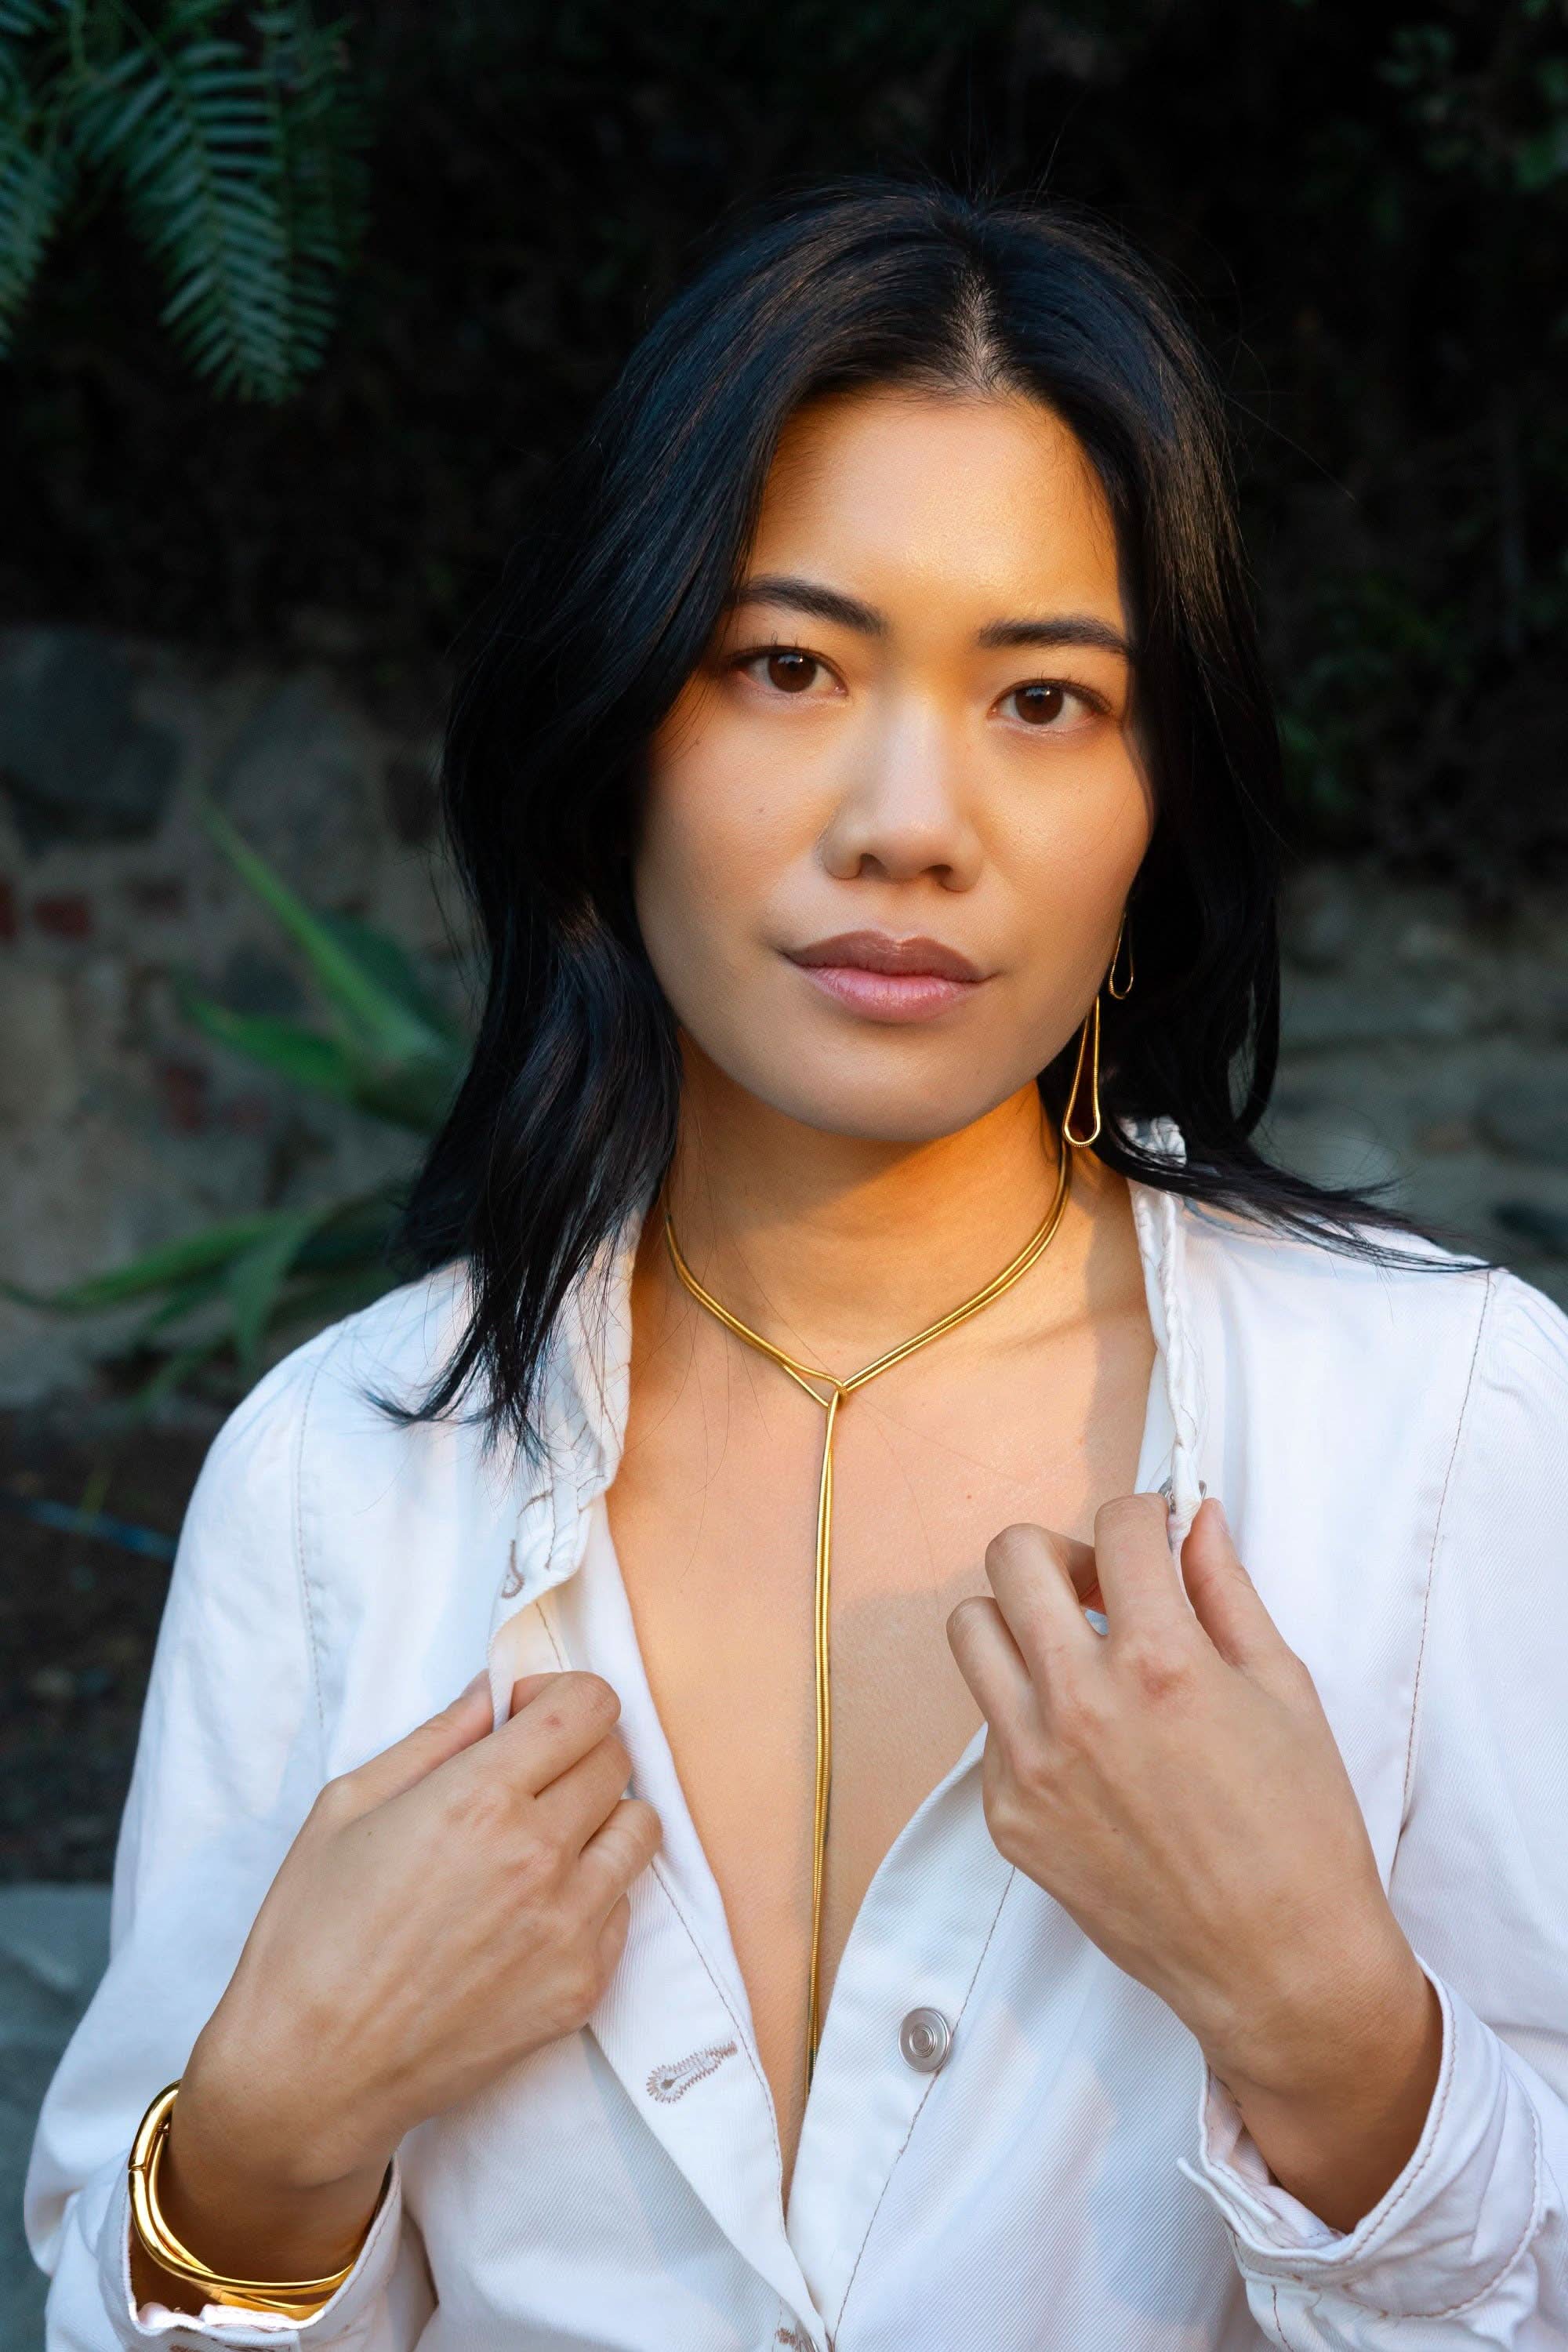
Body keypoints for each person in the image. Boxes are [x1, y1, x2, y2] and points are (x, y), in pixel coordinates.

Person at [27, 180, 1568, 2352]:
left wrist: (1334, 2035)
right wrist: (270, 2134)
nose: (910, 819)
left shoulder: (1448, 1433)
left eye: (1047, 698)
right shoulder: (339, 1481)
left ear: (1162, 807)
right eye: (786, 666)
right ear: (613, 738)